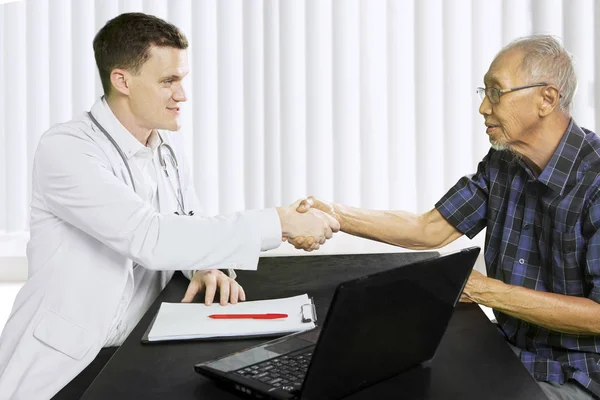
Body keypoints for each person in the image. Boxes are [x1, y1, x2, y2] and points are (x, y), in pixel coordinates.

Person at [0, 12, 338, 400]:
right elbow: (148, 236)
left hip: (140, 344)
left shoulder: (165, 151)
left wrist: (203, 265)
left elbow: (184, 223)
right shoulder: (66, 149)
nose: (182, 95)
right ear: (122, 81)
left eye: (182, 79)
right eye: (168, 82)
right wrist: (279, 222)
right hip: (71, 364)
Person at [293, 35, 600, 400]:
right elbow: (429, 229)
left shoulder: (595, 181)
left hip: (578, 376)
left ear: (546, 99)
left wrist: (484, 290)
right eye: (483, 92)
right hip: (509, 353)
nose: (484, 107)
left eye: (496, 92)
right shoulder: (504, 163)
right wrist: (335, 214)